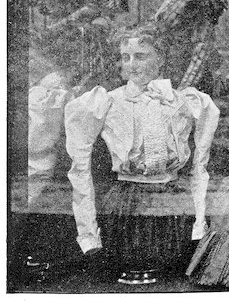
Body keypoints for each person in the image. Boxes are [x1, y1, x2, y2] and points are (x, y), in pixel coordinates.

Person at [64, 24, 220, 283]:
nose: (131, 65)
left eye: (140, 56)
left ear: (161, 59)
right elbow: (79, 166)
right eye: (125, 57)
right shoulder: (108, 101)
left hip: (170, 197)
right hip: (128, 198)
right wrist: (88, 232)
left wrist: (199, 220)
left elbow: (200, 165)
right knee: (131, 251)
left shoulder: (183, 101)